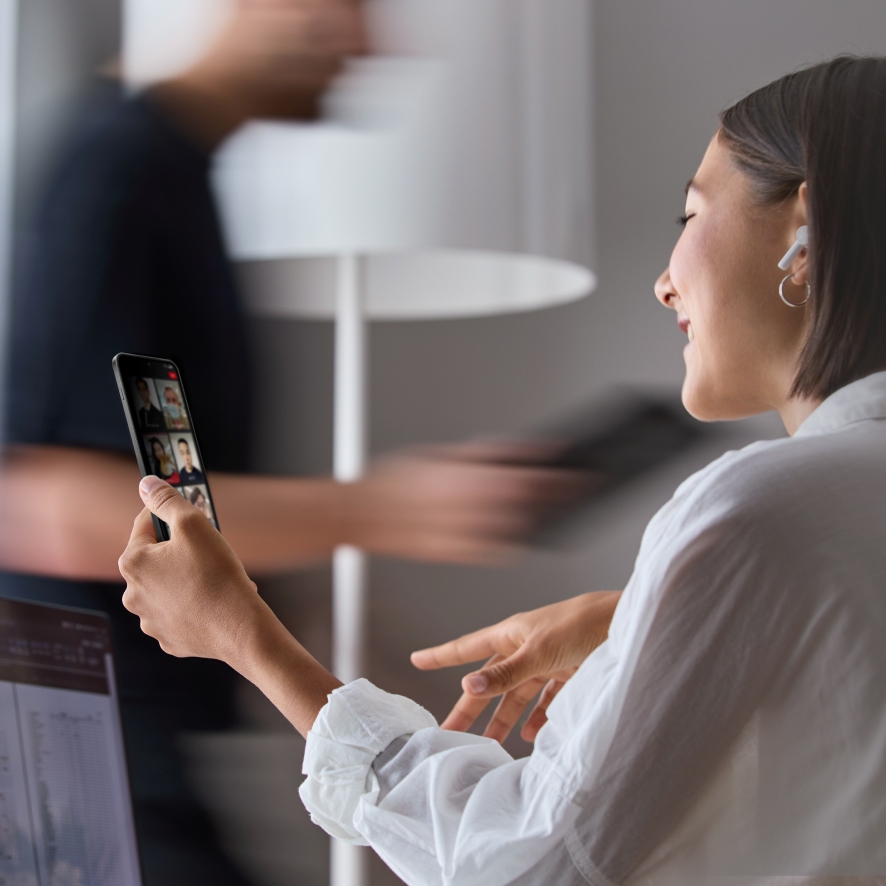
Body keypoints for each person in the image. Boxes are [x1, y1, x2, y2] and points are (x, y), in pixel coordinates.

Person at [119, 55, 886, 884]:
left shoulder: (755, 511)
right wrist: (648, 616)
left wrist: (246, 638)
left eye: (689, 214)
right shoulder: (806, 517)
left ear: (804, 233)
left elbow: (531, 864)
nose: (665, 282)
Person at [0, 2, 578, 883]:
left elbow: (178, 492)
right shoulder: (115, 167)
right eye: (346, 8)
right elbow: (42, 502)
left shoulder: (175, 172)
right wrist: (380, 508)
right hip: (76, 738)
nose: (368, 47)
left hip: (124, 732)